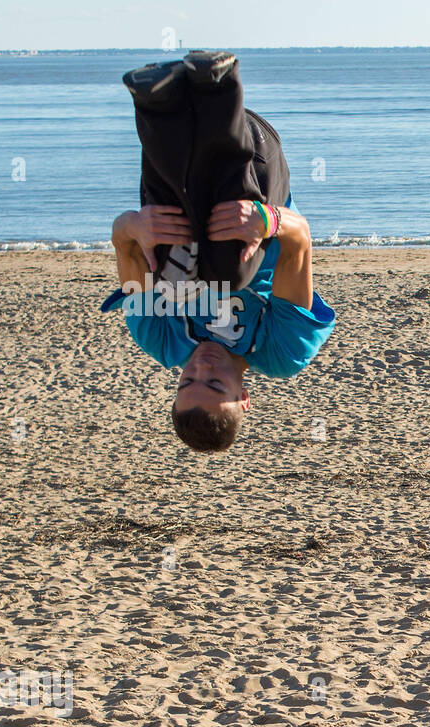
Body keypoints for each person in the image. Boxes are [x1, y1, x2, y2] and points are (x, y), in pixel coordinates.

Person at [101, 50, 336, 453]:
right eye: (214, 383)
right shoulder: (282, 352)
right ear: (243, 397)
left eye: (186, 381)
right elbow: (299, 240)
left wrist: (135, 225)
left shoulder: (158, 337)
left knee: (169, 270)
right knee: (230, 274)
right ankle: (217, 83)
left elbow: (124, 241)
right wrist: (269, 222)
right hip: (254, 169)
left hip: (174, 166)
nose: (199, 367)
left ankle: (156, 98)